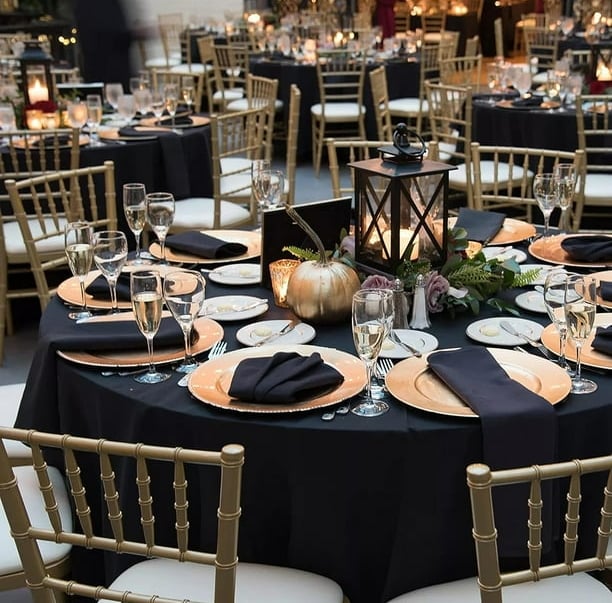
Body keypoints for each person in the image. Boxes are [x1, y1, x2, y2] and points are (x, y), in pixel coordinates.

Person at [72, 0, 134, 90]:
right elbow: (110, 34)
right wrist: (135, 34)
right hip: (107, 71)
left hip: (108, 69)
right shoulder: (94, 4)